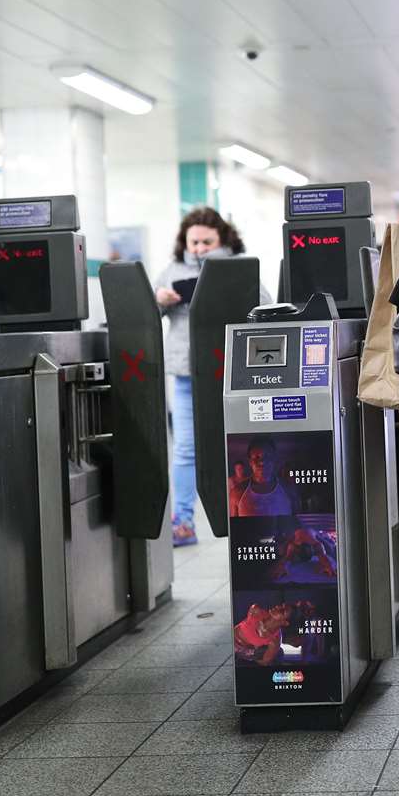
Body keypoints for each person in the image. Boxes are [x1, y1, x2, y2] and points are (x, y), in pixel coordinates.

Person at [154, 207, 265, 546]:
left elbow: (264, 306)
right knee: (187, 448)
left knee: (241, 448)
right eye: (194, 241)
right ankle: (183, 521)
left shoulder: (238, 267)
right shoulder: (172, 270)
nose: (199, 247)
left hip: (230, 374)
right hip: (189, 375)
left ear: (222, 240)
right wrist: (160, 299)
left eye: (207, 241)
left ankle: (251, 518)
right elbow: (149, 308)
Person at [229, 437, 298, 517]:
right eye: (257, 457)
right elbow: (233, 527)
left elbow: (297, 524)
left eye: (267, 455)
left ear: (274, 458)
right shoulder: (237, 493)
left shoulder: (289, 490)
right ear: (250, 462)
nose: (262, 461)